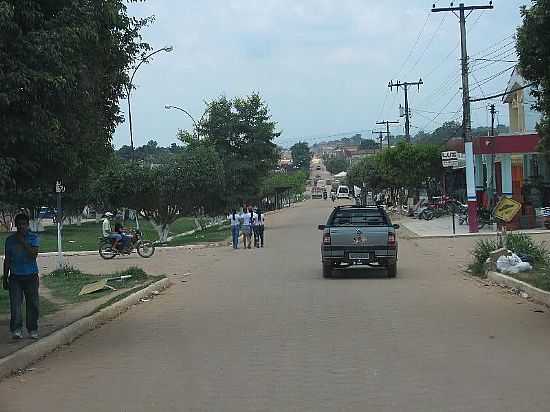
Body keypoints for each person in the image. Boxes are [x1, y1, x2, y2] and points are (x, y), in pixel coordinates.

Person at [2, 214, 40, 340]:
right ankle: (16, 329)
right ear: (16, 225)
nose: (21, 227)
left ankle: (32, 329)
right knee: (16, 305)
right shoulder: (10, 240)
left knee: (33, 304)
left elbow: (34, 254)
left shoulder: (33, 237)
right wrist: (5, 277)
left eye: (24, 224)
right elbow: (7, 259)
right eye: (19, 224)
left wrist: (23, 242)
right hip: (15, 277)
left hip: (31, 276)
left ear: (27, 225)